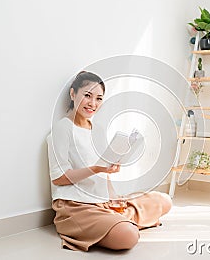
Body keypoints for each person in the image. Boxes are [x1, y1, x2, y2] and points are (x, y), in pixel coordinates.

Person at [47, 71, 172, 251]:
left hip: (102, 203)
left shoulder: (98, 130)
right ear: (73, 94)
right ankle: (119, 224)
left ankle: (115, 220)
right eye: (87, 96)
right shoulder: (62, 129)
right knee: (129, 236)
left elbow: (103, 170)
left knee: (164, 200)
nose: (93, 104)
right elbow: (59, 178)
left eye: (99, 98)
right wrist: (96, 168)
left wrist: (113, 196)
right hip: (75, 207)